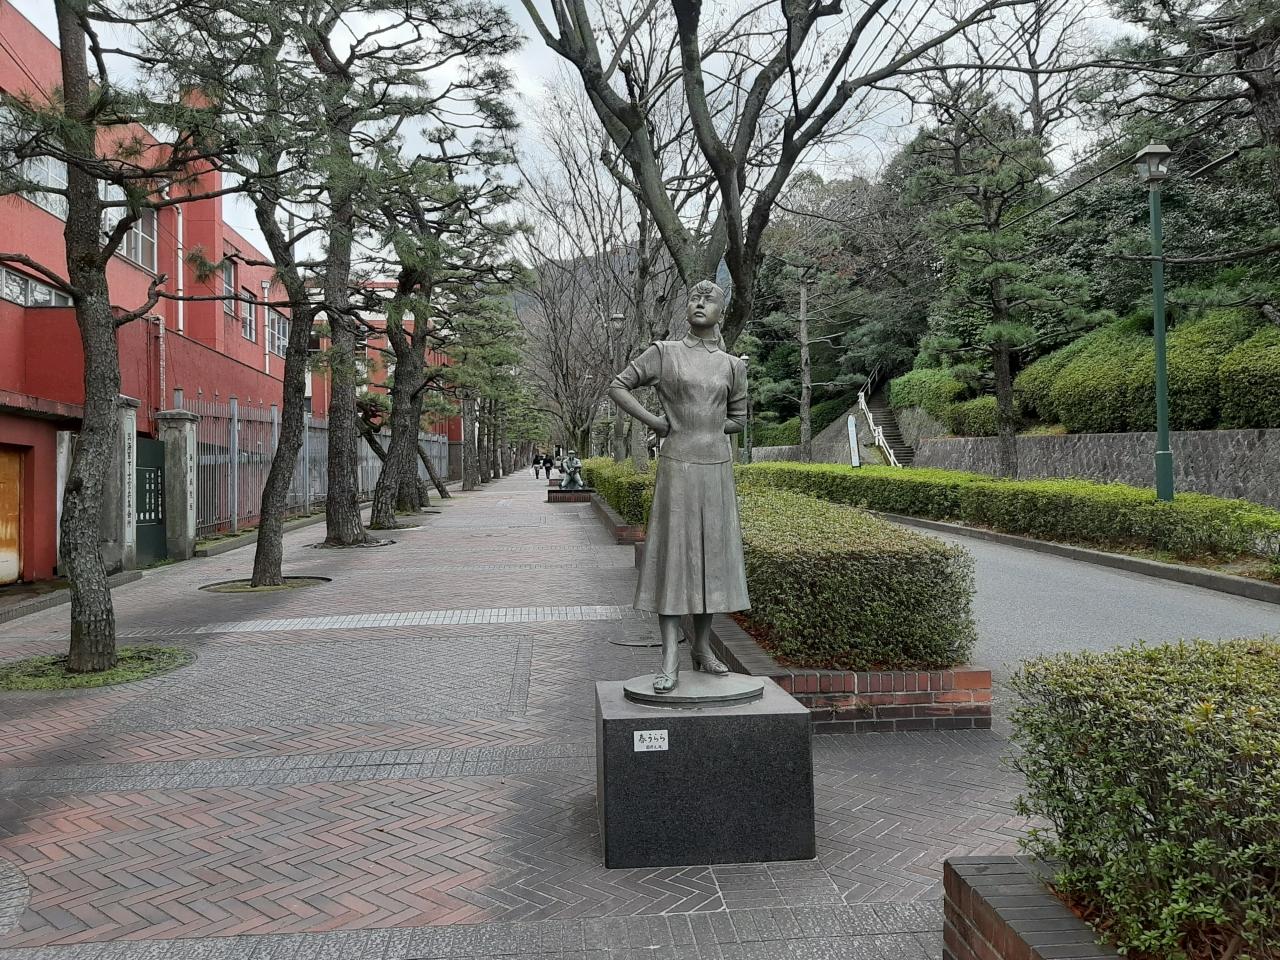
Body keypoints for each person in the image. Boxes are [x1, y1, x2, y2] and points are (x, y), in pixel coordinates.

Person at [608, 279, 749, 693]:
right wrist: (656, 422)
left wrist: (709, 426)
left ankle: (702, 648)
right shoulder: (664, 352)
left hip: (716, 467)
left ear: (721, 311)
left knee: (711, 560)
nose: (700, 303)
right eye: (694, 298)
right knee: (674, 558)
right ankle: (670, 654)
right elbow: (618, 385)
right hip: (677, 465)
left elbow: (738, 418)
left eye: (710, 299)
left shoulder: (732, 365)